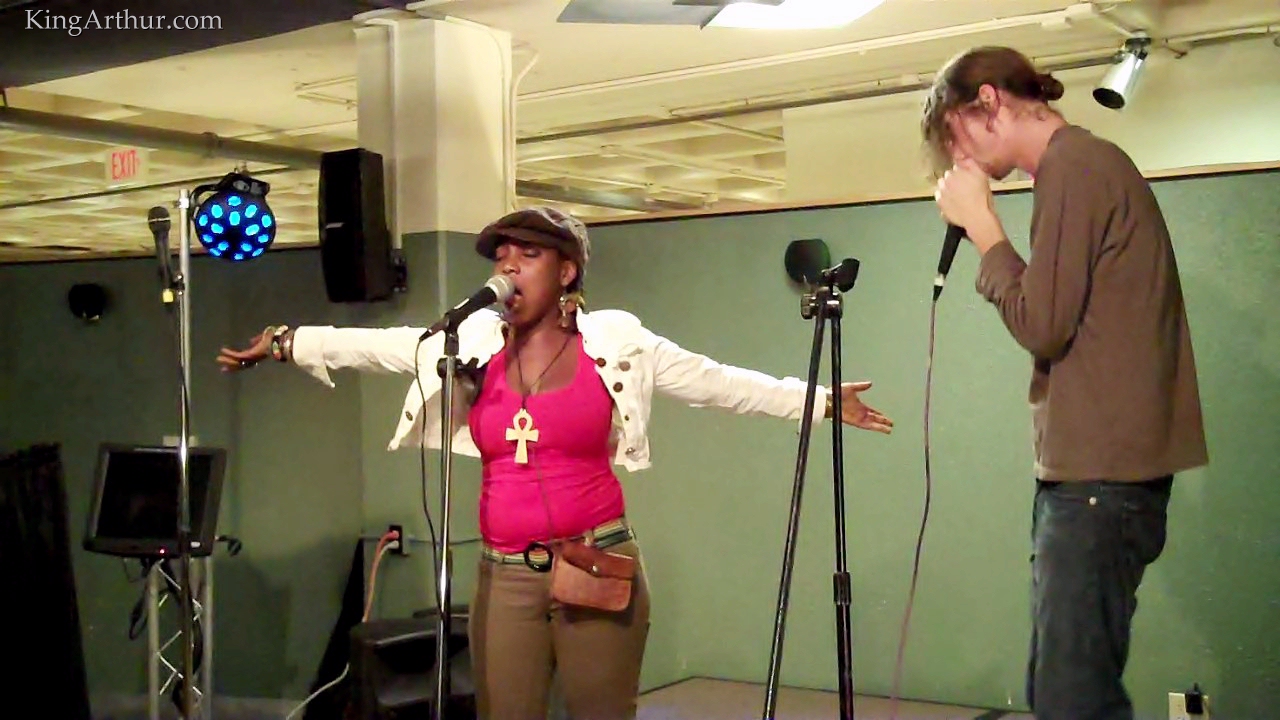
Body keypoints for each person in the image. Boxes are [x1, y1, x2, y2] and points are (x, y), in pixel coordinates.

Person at [216, 206, 894, 719]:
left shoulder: (616, 341)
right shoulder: (471, 339)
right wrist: (286, 341)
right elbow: (381, 346)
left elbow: (717, 383)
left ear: (567, 270)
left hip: (594, 561)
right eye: (501, 255)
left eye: (528, 254)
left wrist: (820, 400)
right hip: (503, 572)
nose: (508, 266)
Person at [920, 47, 1208, 720]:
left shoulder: (1073, 167)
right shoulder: (1080, 167)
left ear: (987, 103)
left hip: (1098, 484)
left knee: (1073, 699)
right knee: (1066, 690)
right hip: (1098, 480)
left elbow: (1043, 324)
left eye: (953, 135)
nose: (955, 156)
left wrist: (982, 225)